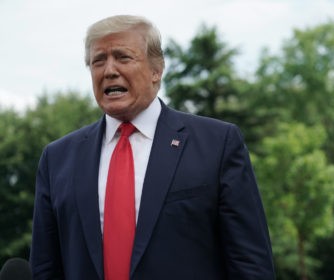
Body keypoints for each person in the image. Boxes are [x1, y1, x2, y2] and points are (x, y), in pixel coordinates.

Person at [30, 15, 275, 280]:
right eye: (98, 61)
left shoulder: (218, 144)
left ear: (156, 71)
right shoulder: (58, 158)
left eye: (123, 57)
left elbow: (251, 264)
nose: (109, 70)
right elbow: (45, 267)